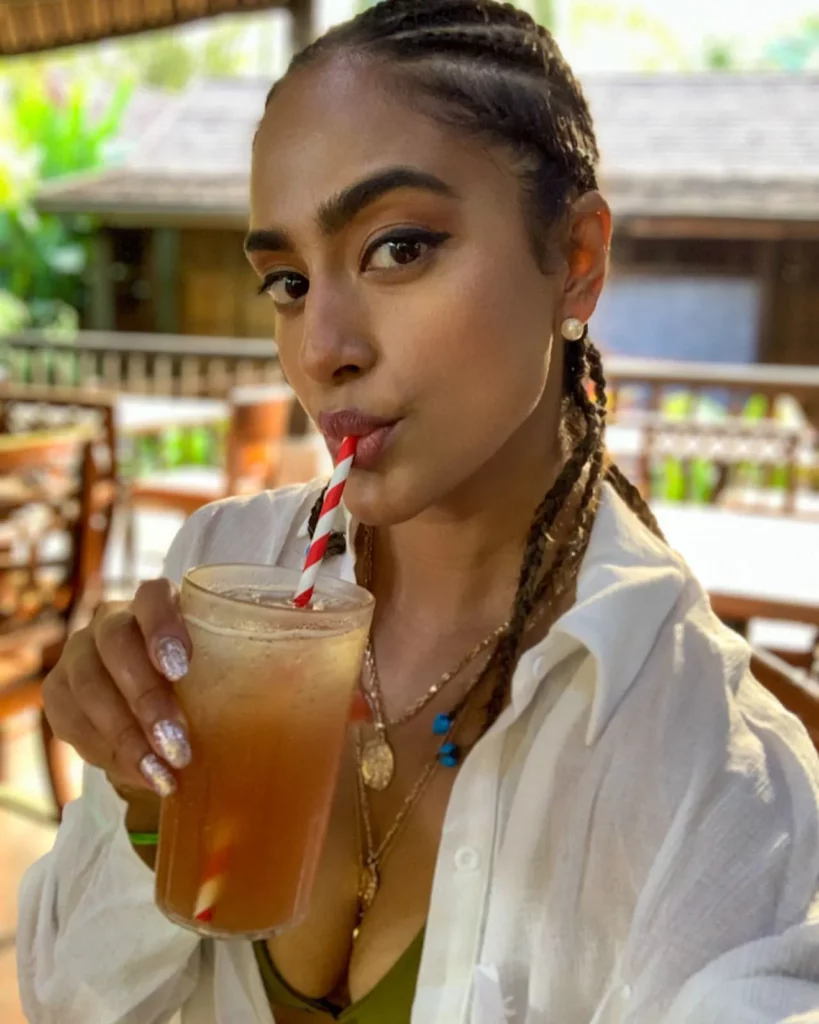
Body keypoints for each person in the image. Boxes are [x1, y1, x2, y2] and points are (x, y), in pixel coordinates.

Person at [17, 2, 819, 1022]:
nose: (323, 347)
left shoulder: (696, 751)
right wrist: (144, 811)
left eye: (399, 247)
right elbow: (71, 998)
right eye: (289, 282)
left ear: (576, 259)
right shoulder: (223, 576)